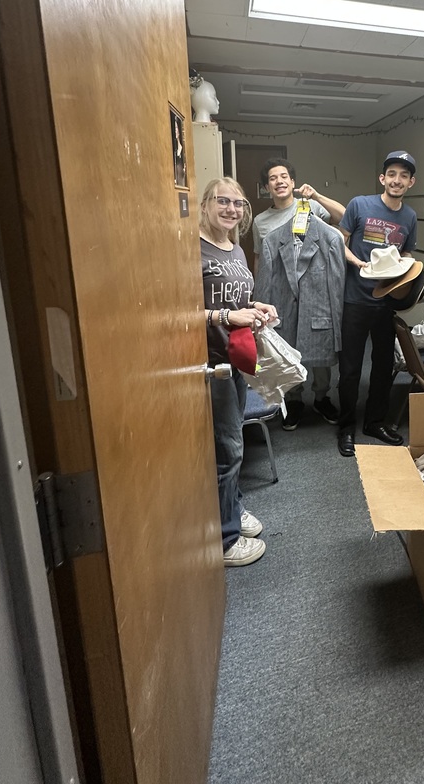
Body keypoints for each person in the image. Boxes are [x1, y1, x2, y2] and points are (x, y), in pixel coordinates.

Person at [200, 177, 278, 566]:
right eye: (223, 201)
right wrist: (226, 315)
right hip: (209, 365)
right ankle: (226, 539)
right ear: (205, 204)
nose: (231, 209)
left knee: (232, 445)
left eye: (239, 204)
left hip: (234, 360)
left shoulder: (235, 249)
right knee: (227, 449)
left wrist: (258, 307)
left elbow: (239, 298)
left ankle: (232, 506)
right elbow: (172, 316)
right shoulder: (191, 251)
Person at [252, 159, 345, 431]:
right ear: (266, 186)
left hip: (316, 288)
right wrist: (261, 297)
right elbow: (261, 259)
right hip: (283, 291)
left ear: (292, 182)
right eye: (273, 178)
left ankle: (321, 396)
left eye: (284, 176)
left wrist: (315, 194)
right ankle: (293, 400)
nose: (279, 181)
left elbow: (342, 218)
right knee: (286, 346)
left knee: (321, 344)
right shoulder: (261, 222)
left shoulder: (310, 207)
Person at [336, 150, 418, 457]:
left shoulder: (409, 216)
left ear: (411, 182)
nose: (397, 180)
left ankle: (374, 422)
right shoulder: (359, 204)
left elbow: (407, 254)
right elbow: (338, 241)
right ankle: (346, 428)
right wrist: (358, 263)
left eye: (404, 176)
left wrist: (409, 277)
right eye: (392, 174)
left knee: (384, 366)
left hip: (387, 303)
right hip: (355, 299)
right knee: (351, 369)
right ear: (382, 178)